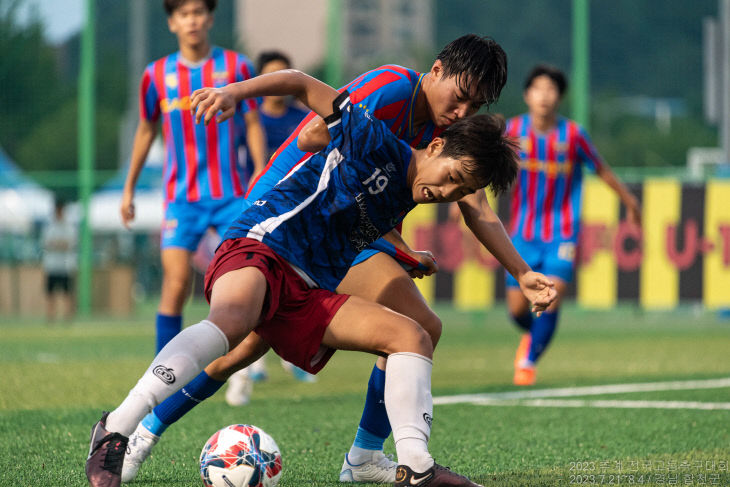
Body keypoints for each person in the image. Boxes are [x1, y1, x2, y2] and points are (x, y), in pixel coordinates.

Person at [85, 67, 556, 487]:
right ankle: (124, 427)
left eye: (474, 106)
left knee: (412, 335)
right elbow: (306, 93)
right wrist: (235, 93)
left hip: (313, 278)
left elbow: (424, 205)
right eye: (460, 97)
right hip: (267, 238)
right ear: (438, 72)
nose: (461, 111)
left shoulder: (439, 154)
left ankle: (412, 467)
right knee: (234, 324)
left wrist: (505, 270)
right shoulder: (389, 100)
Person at [120, 0, 266, 355]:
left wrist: (261, 173)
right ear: (172, 23)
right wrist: (129, 189)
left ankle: (248, 365)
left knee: (250, 274)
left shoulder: (235, 66)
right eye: (184, 14)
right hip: (181, 198)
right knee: (176, 282)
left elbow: (251, 122)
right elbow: (145, 130)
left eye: (198, 12)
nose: (192, 20)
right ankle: (162, 371)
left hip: (232, 194)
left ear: (210, 18)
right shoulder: (156, 75)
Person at [505, 64, 641, 386]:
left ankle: (528, 362)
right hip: (522, 233)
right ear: (527, 95)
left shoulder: (574, 134)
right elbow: (483, 166)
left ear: (559, 97)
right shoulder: (512, 132)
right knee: (516, 310)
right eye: (538, 88)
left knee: (551, 294)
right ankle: (535, 336)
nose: (544, 95)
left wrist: (629, 200)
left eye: (551, 89)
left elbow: (601, 169)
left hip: (562, 231)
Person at [234, 50, 315, 389]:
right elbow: (235, 159)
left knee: (298, 280)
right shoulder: (250, 121)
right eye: (272, 75)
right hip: (259, 209)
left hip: (298, 208)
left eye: (285, 74)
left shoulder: (303, 117)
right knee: (258, 281)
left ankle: (289, 353)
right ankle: (253, 364)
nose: (278, 83)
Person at [41, 200, 77, 322]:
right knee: (50, 294)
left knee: (67, 293)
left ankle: (67, 318)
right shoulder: (50, 226)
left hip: (65, 266)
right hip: (52, 265)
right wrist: (59, 244)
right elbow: (46, 244)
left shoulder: (69, 227)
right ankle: (50, 317)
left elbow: (69, 244)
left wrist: (56, 244)